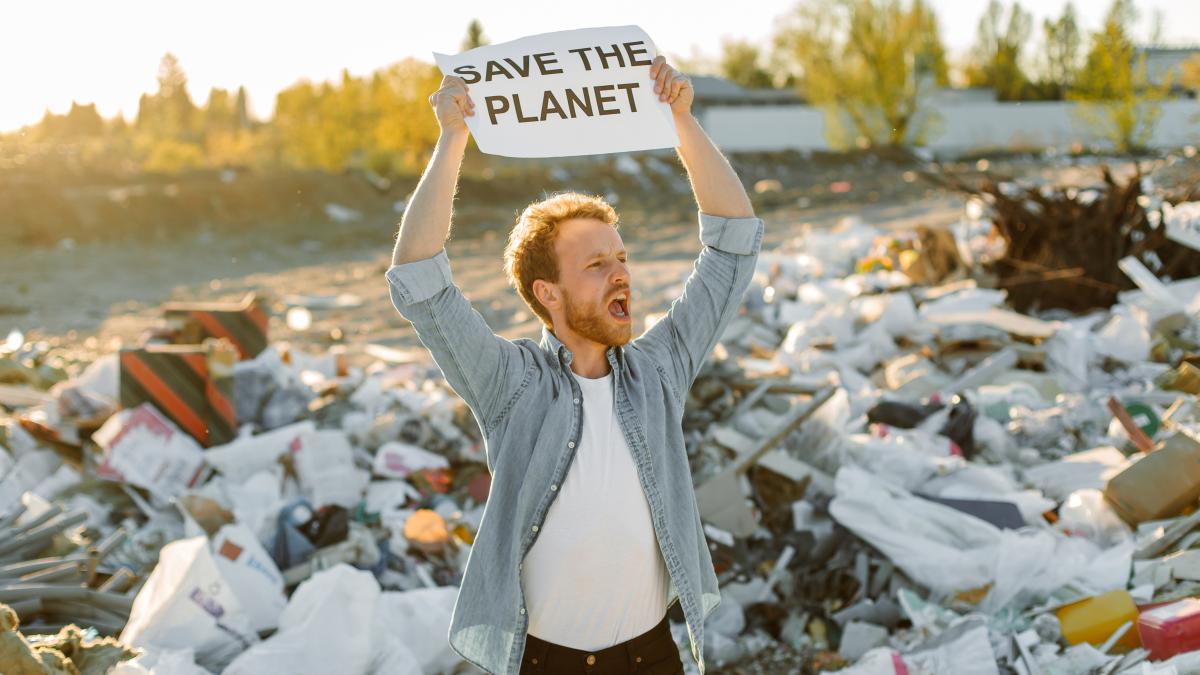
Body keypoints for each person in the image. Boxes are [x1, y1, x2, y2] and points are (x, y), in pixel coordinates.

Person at [386, 53, 763, 675]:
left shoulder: (659, 370)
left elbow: (733, 243)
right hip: (548, 664)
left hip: (653, 657)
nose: (621, 273)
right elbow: (418, 282)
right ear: (547, 295)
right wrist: (453, 137)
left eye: (621, 258)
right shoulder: (511, 384)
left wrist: (681, 120)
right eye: (596, 265)